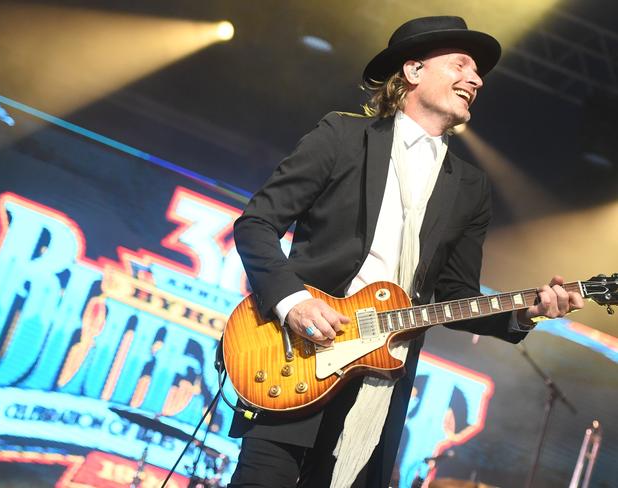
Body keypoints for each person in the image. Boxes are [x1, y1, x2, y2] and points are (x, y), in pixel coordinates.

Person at [227, 16, 584, 488]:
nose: (476, 79)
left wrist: (526, 314)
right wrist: (294, 303)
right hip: (295, 357)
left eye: (478, 73)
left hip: (381, 387)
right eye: (461, 64)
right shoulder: (342, 136)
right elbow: (256, 224)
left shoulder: (470, 187)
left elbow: (455, 297)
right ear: (413, 71)